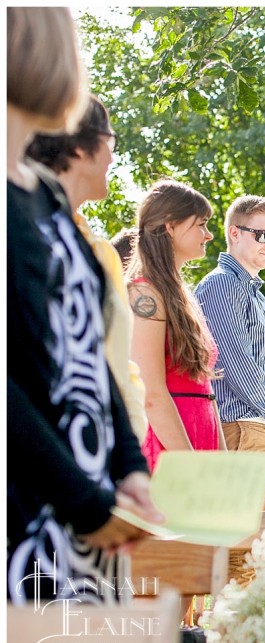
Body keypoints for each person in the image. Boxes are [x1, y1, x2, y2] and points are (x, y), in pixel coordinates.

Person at [7, 6, 161, 604]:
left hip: (89, 510)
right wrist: (84, 500)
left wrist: (128, 469)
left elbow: (89, 353)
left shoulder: (42, 194)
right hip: (28, 508)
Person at [25, 94, 148, 444]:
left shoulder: (100, 253)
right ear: (80, 146)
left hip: (108, 456)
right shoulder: (28, 240)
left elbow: (118, 366)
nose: (112, 157)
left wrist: (129, 447)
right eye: (110, 141)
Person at [195, 195, 265, 497]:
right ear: (234, 233)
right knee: (238, 544)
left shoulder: (257, 297)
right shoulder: (220, 285)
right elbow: (238, 368)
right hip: (241, 434)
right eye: (262, 235)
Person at [126, 180, 226, 469]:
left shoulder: (182, 295)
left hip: (200, 436)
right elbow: (152, 394)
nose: (208, 235)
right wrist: (191, 466)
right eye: (201, 224)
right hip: (172, 446)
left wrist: (222, 463)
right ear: (170, 226)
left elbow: (206, 389)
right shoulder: (145, 294)